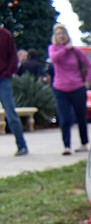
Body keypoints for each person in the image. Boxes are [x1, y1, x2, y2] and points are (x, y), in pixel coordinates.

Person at [48, 23, 91, 155]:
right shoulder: (53, 49)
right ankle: (66, 146)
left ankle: (84, 143)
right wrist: (65, 49)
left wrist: (87, 81)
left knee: (81, 117)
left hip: (77, 87)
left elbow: (90, 66)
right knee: (65, 118)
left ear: (67, 35)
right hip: (60, 88)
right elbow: (54, 59)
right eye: (58, 34)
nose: (61, 36)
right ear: (55, 36)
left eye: (63, 33)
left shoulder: (76, 51)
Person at [0, 26, 28, 156]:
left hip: (3, 80)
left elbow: (13, 58)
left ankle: (21, 146)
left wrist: (7, 73)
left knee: (11, 114)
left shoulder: (5, 35)